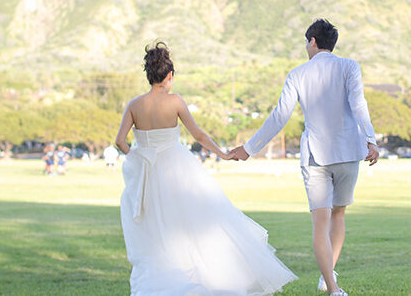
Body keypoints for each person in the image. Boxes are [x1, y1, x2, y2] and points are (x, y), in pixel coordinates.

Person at [115, 42, 296, 295]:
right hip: (178, 171)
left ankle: (163, 280)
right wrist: (222, 153)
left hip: (149, 175)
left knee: (158, 231)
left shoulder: (134, 105)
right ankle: (200, 276)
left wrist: (138, 157)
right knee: (192, 224)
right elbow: (199, 135)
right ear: (169, 76)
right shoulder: (175, 101)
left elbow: (119, 142)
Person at [231, 19, 380, 296]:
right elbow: (359, 104)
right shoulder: (350, 66)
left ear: (312, 41)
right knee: (339, 214)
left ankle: (332, 287)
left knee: (320, 222)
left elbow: (280, 116)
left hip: (316, 157)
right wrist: (371, 139)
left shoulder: (298, 73)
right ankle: (328, 278)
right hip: (348, 151)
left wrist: (249, 148)